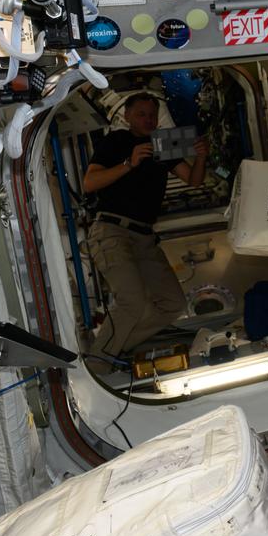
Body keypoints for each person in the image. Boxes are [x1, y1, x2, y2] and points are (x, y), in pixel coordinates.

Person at [82, 92, 208, 364]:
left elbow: (193, 181)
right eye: (141, 114)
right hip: (112, 231)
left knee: (173, 303)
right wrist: (129, 163)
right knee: (132, 302)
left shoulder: (162, 145)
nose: (148, 120)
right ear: (126, 117)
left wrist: (200, 157)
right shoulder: (116, 141)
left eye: (152, 114)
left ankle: (109, 351)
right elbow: (89, 183)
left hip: (144, 238)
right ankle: (98, 365)